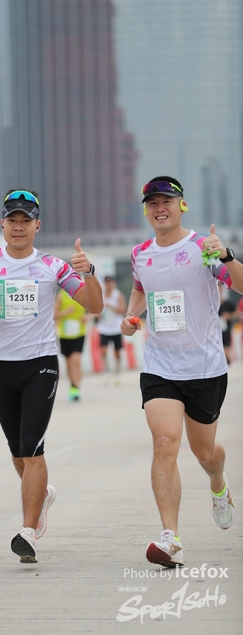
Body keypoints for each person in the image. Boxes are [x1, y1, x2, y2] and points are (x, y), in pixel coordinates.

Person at [0, 189, 103, 564]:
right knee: (17, 451)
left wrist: (88, 273)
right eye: (12, 220)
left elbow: (94, 306)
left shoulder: (53, 266)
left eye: (25, 220)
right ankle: (42, 494)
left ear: (37, 225)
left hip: (41, 364)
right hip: (2, 365)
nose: (18, 227)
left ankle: (28, 532)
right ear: (2, 224)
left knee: (32, 447)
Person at [121, 176, 243, 568]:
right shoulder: (140, 253)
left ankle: (218, 483)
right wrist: (130, 315)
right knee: (164, 442)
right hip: (160, 366)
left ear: (181, 206)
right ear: (146, 211)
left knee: (205, 451)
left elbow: (241, 285)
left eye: (167, 201)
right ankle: (170, 539)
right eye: (153, 203)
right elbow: (140, 288)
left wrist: (226, 256)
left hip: (205, 368)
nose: (160, 208)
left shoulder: (203, 248)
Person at [54, 287, 88, 401]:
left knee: (76, 360)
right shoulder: (61, 295)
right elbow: (54, 314)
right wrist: (65, 312)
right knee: (69, 362)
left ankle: (76, 387)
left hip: (79, 332)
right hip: (65, 334)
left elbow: (95, 308)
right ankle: (72, 384)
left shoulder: (83, 292)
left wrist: (87, 317)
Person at [95, 275, 126, 384]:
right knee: (103, 350)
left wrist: (111, 307)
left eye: (110, 282)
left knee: (117, 351)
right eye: (107, 282)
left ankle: (117, 372)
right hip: (104, 327)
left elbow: (122, 310)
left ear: (113, 283)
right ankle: (106, 370)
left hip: (116, 327)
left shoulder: (118, 295)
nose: (109, 284)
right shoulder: (101, 295)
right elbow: (97, 310)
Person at [218, 283, 237, 364]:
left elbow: (236, 313)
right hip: (214, 332)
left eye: (220, 288)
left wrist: (229, 316)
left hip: (225, 331)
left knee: (225, 352)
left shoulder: (227, 304)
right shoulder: (210, 305)